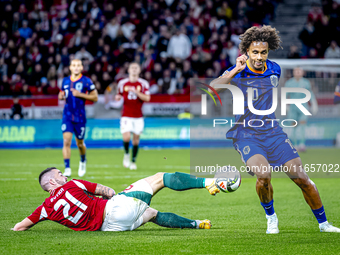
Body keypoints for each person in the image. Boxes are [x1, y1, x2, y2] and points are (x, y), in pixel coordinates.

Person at [209, 25, 340, 234]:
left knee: (302, 178)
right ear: (246, 52)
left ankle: (324, 224)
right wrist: (235, 70)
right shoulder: (238, 72)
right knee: (264, 175)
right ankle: (271, 217)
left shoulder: (275, 69)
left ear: (268, 52)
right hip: (246, 134)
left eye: (263, 52)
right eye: (255, 52)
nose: (259, 57)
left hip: (273, 132)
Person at [12, 168, 229, 231]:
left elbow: (20, 227)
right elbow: (106, 190)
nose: (64, 176)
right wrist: (115, 194)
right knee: (159, 178)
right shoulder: (72, 184)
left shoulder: (44, 209)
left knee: (151, 214)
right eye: (60, 174)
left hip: (112, 228)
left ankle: (197, 224)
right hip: (115, 209)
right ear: (52, 182)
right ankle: (207, 182)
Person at [58, 59, 98, 177]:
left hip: (80, 117)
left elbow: (95, 97)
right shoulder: (65, 81)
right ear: (70, 67)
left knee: (80, 144)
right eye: (74, 65)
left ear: (81, 67)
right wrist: (60, 96)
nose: (76, 67)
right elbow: (61, 94)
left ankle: (82, 160)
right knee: (66, 141)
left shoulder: (86, 81)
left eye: (78, 65)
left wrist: (79, 94)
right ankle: (67, 168)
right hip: (67, 116)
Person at [114, 62, 150, 170]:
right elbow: (118, 95)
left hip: (138, 116)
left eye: (136, 68)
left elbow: (147, 98)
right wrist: (117, 98)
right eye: (132, 68)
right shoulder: (122, 83)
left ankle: (133, 160)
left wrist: (136, 92)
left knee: (135, 140)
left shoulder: (143, 84)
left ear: (139, 71)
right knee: (126, 137)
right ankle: (126, 154)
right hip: (126, 115)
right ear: (128, 70)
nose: (134, 70)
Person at [285, 67, 318, 151]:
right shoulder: (289, 83)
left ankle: (302, 144)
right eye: (296, 71)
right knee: (294, 126)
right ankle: (295, 144)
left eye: (299, 71)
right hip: (293, 107)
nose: (298, 72)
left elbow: (310, 93)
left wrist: (314, 103)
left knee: (303, 125)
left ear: (303, 72)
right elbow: (285, 95)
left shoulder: (306, 83)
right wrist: (285, 105)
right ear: (293, 72)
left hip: (303, 106)